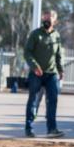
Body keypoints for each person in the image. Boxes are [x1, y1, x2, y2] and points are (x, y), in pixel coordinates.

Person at [22, 9, 65, 138]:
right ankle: (29, 128)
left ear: (55, 21)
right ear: (42, 19)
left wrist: (60, 69)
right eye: (45, 17)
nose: (47, 19)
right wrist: (35, 67)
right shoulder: (35, 34)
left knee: (52, 100)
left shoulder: (56, 35)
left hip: (52, 74)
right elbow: (27, 53)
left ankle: (52, 129)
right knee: (33, 100)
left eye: (50, 17)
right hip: (37, 74)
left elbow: (58, 55)